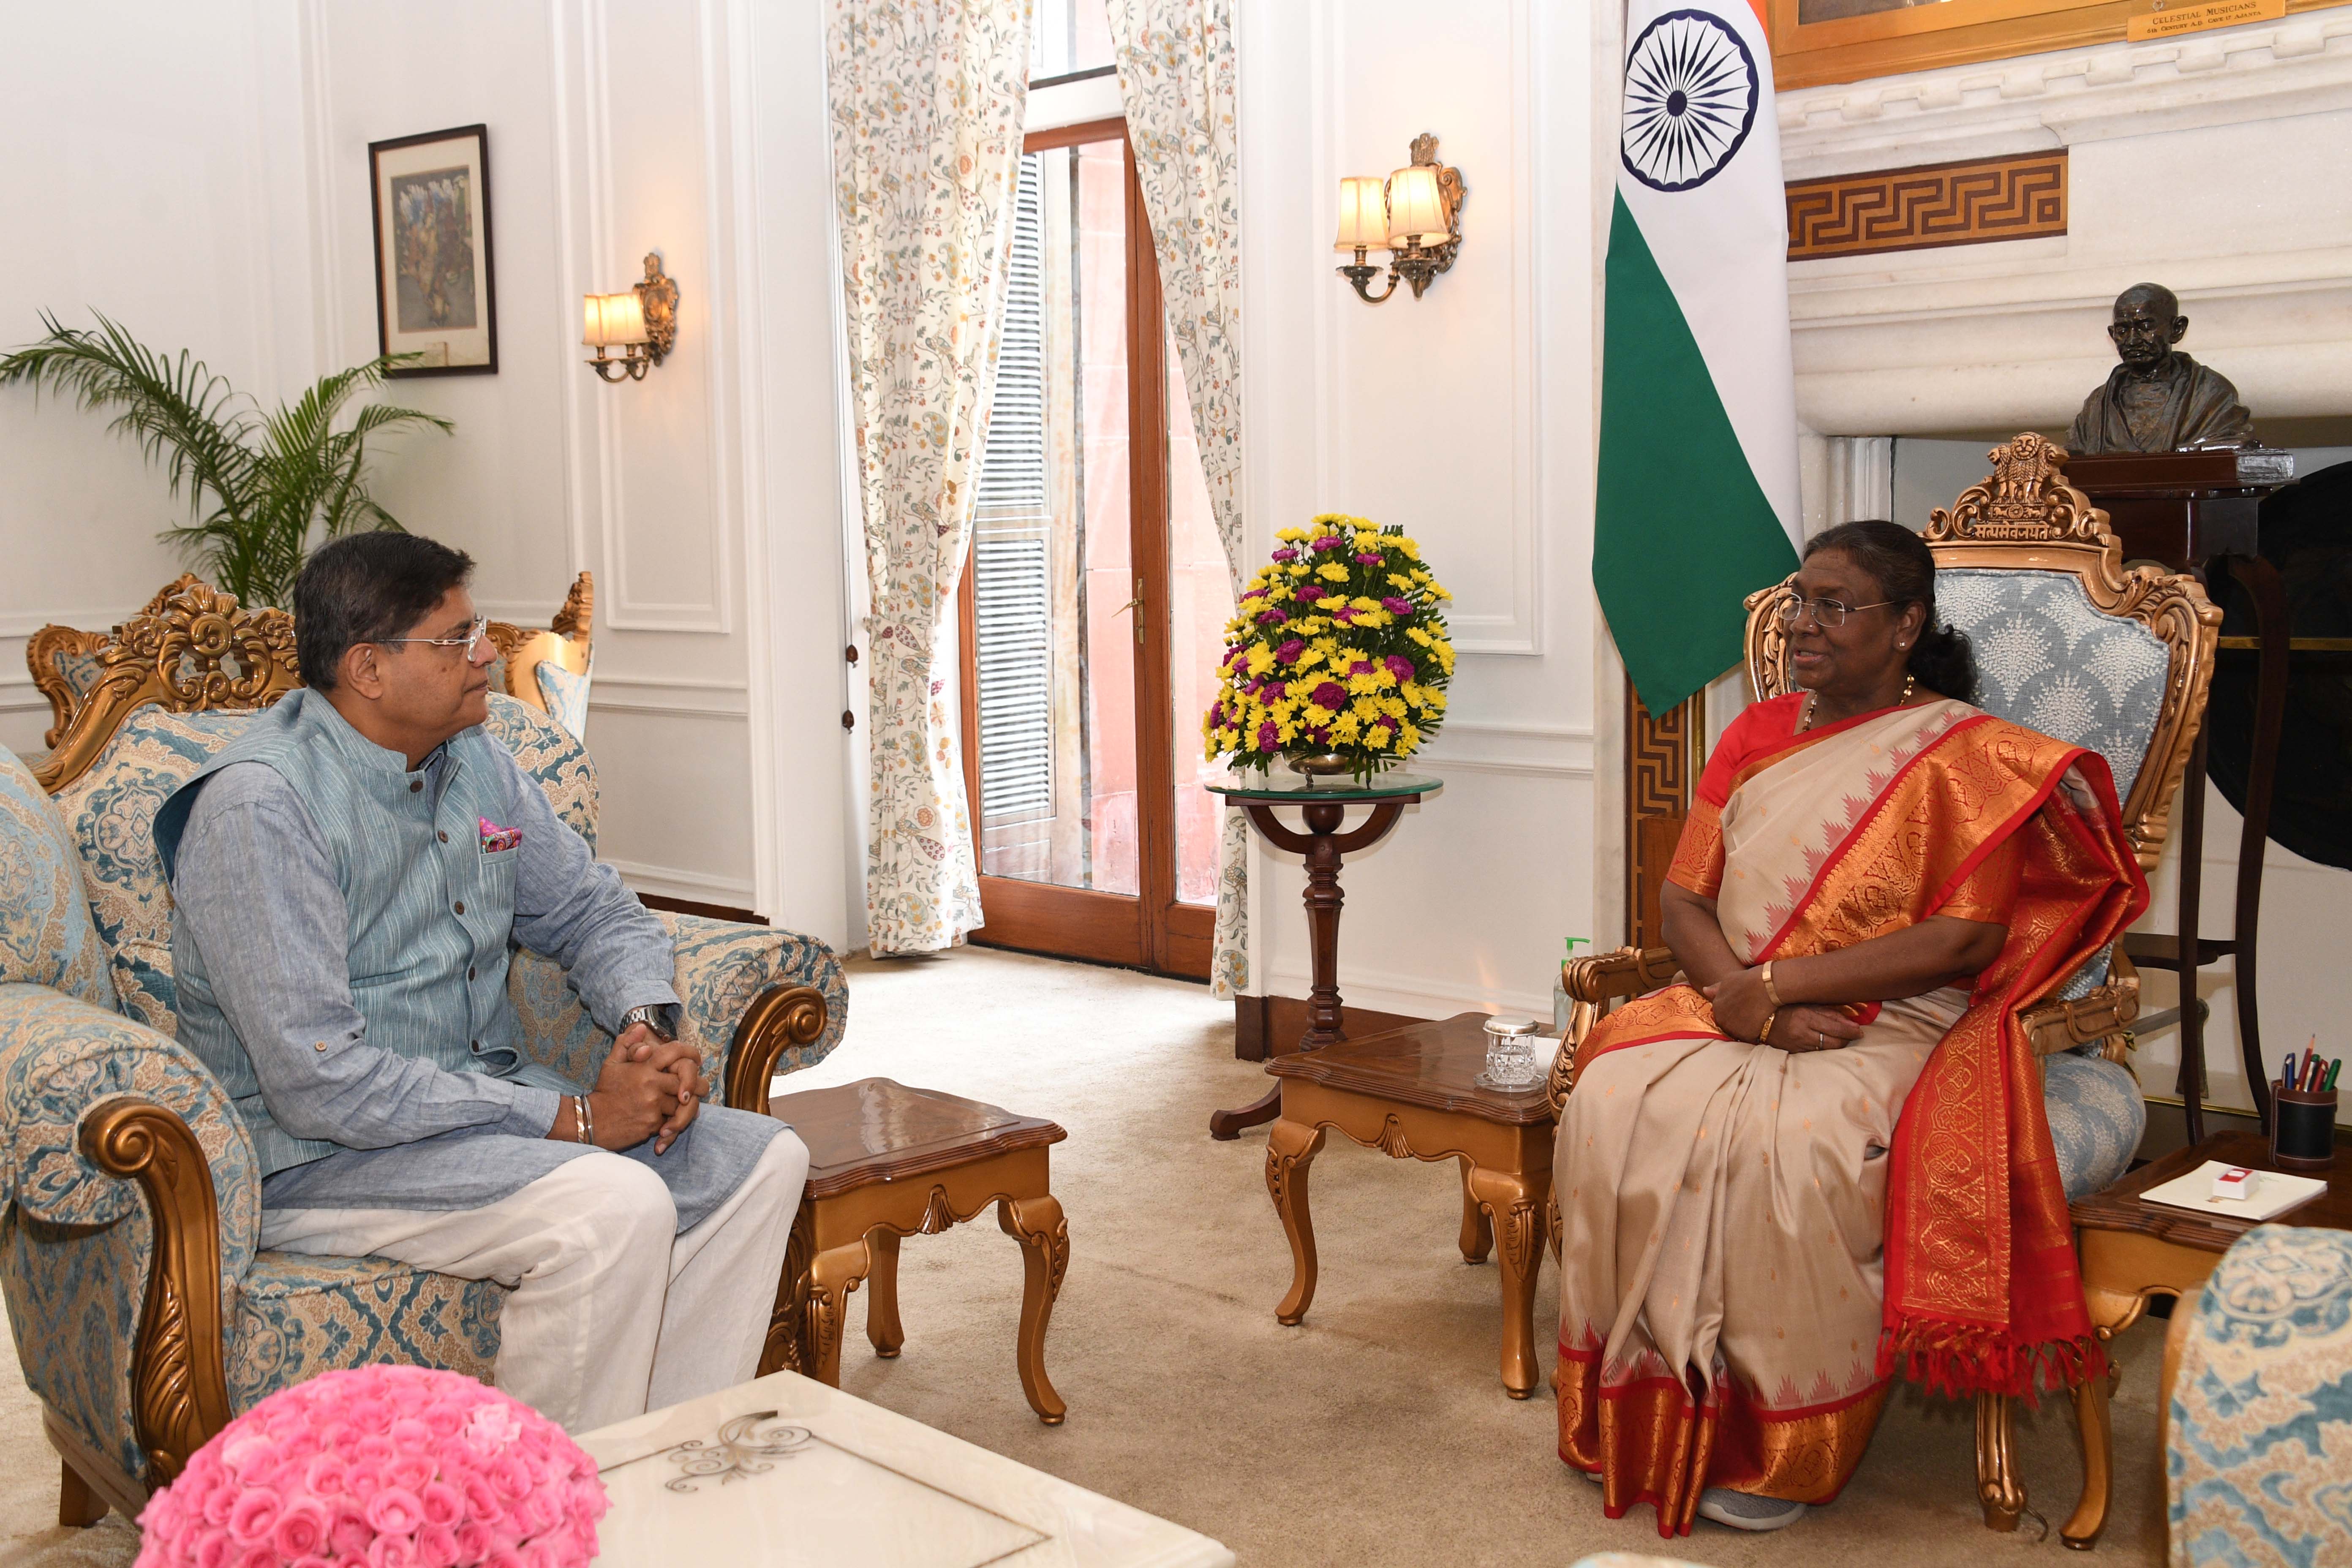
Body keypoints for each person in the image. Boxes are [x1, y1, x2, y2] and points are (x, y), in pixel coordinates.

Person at [1553, 522, 2147, 1536]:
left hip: (1899, 1019)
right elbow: (1682, 900)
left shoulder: (1972, 757)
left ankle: (1779, 1442)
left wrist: (1776, 986)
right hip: (1733, 998)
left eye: (1834, 606)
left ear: (1906, 624)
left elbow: (1965, 939)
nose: (1803, 624)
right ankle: (1651, 1406)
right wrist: (1745, 997)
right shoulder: (1754, 733)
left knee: (1791, 1140)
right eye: (1799, 601)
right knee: (1614, 1093)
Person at [154, 532, 809, 1432]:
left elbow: (591, 909)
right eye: (456, 638)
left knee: (766, 1160)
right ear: (368, 668)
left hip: (471, 1115)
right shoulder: (259, 807)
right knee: (610, 1205)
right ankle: (537, 1500)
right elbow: (318, 1082)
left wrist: (647, 1029)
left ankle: (655, 1467)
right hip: (312, 1156)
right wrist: (577, 1120)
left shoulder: (476, 761)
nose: (489, 654)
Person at [2067, 281, 2252, 454]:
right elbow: (2072, 459)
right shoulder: (2097, 405)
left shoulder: (2211, 394)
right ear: (2112, 334)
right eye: (2122, 331)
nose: (2132, 340)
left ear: (2177, 329)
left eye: (2145, 327)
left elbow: (2231, 448)